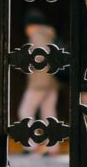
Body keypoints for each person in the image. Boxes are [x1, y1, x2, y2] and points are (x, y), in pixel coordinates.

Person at [17, 8, 60, 150]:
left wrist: (26, 63)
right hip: (52, 81)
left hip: (39, 82)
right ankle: (53, 147)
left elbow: (41, 56)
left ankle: (31, 145)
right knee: (49, 114)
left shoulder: (38, 35)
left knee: (25, 111)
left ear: (31, 25)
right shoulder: (49, 35)